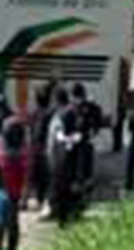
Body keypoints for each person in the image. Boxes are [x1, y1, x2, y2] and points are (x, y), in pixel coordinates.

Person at [0, 118, 29, 250]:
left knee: (3, 223)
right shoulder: (23, 151)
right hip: (9, 192)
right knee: (8, 223)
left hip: (5, 191)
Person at [46, 88, 81, 226]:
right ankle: (66, 215)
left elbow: (60, 138)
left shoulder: (63, 114)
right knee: (64, 187)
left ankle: (63, 218)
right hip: (65, 156)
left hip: (61, 157)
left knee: (61, 188)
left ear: (56, 100)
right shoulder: (68, 112)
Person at [28, 84, 55, 211]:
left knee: (36, 176)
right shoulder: (50, 114)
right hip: (45, 149)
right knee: (45, 177)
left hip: (34, 149)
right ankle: (43, 201)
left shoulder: (33, 113)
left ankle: (36, 199)